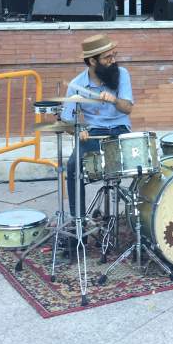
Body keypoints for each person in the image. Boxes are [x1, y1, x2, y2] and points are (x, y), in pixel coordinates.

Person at [60, 34, 134, 219]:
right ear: (93, 61)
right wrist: (79, 131)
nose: (113, 61)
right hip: (94, 133)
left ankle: (140, 218)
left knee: (144, 164)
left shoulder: (122, 74)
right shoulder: (76, 85)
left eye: (114, 55)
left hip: (120, 131)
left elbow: (128, 108)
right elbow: (67, 121)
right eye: (108, 58)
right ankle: (78, 220)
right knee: (73, 165)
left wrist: (114, 100)